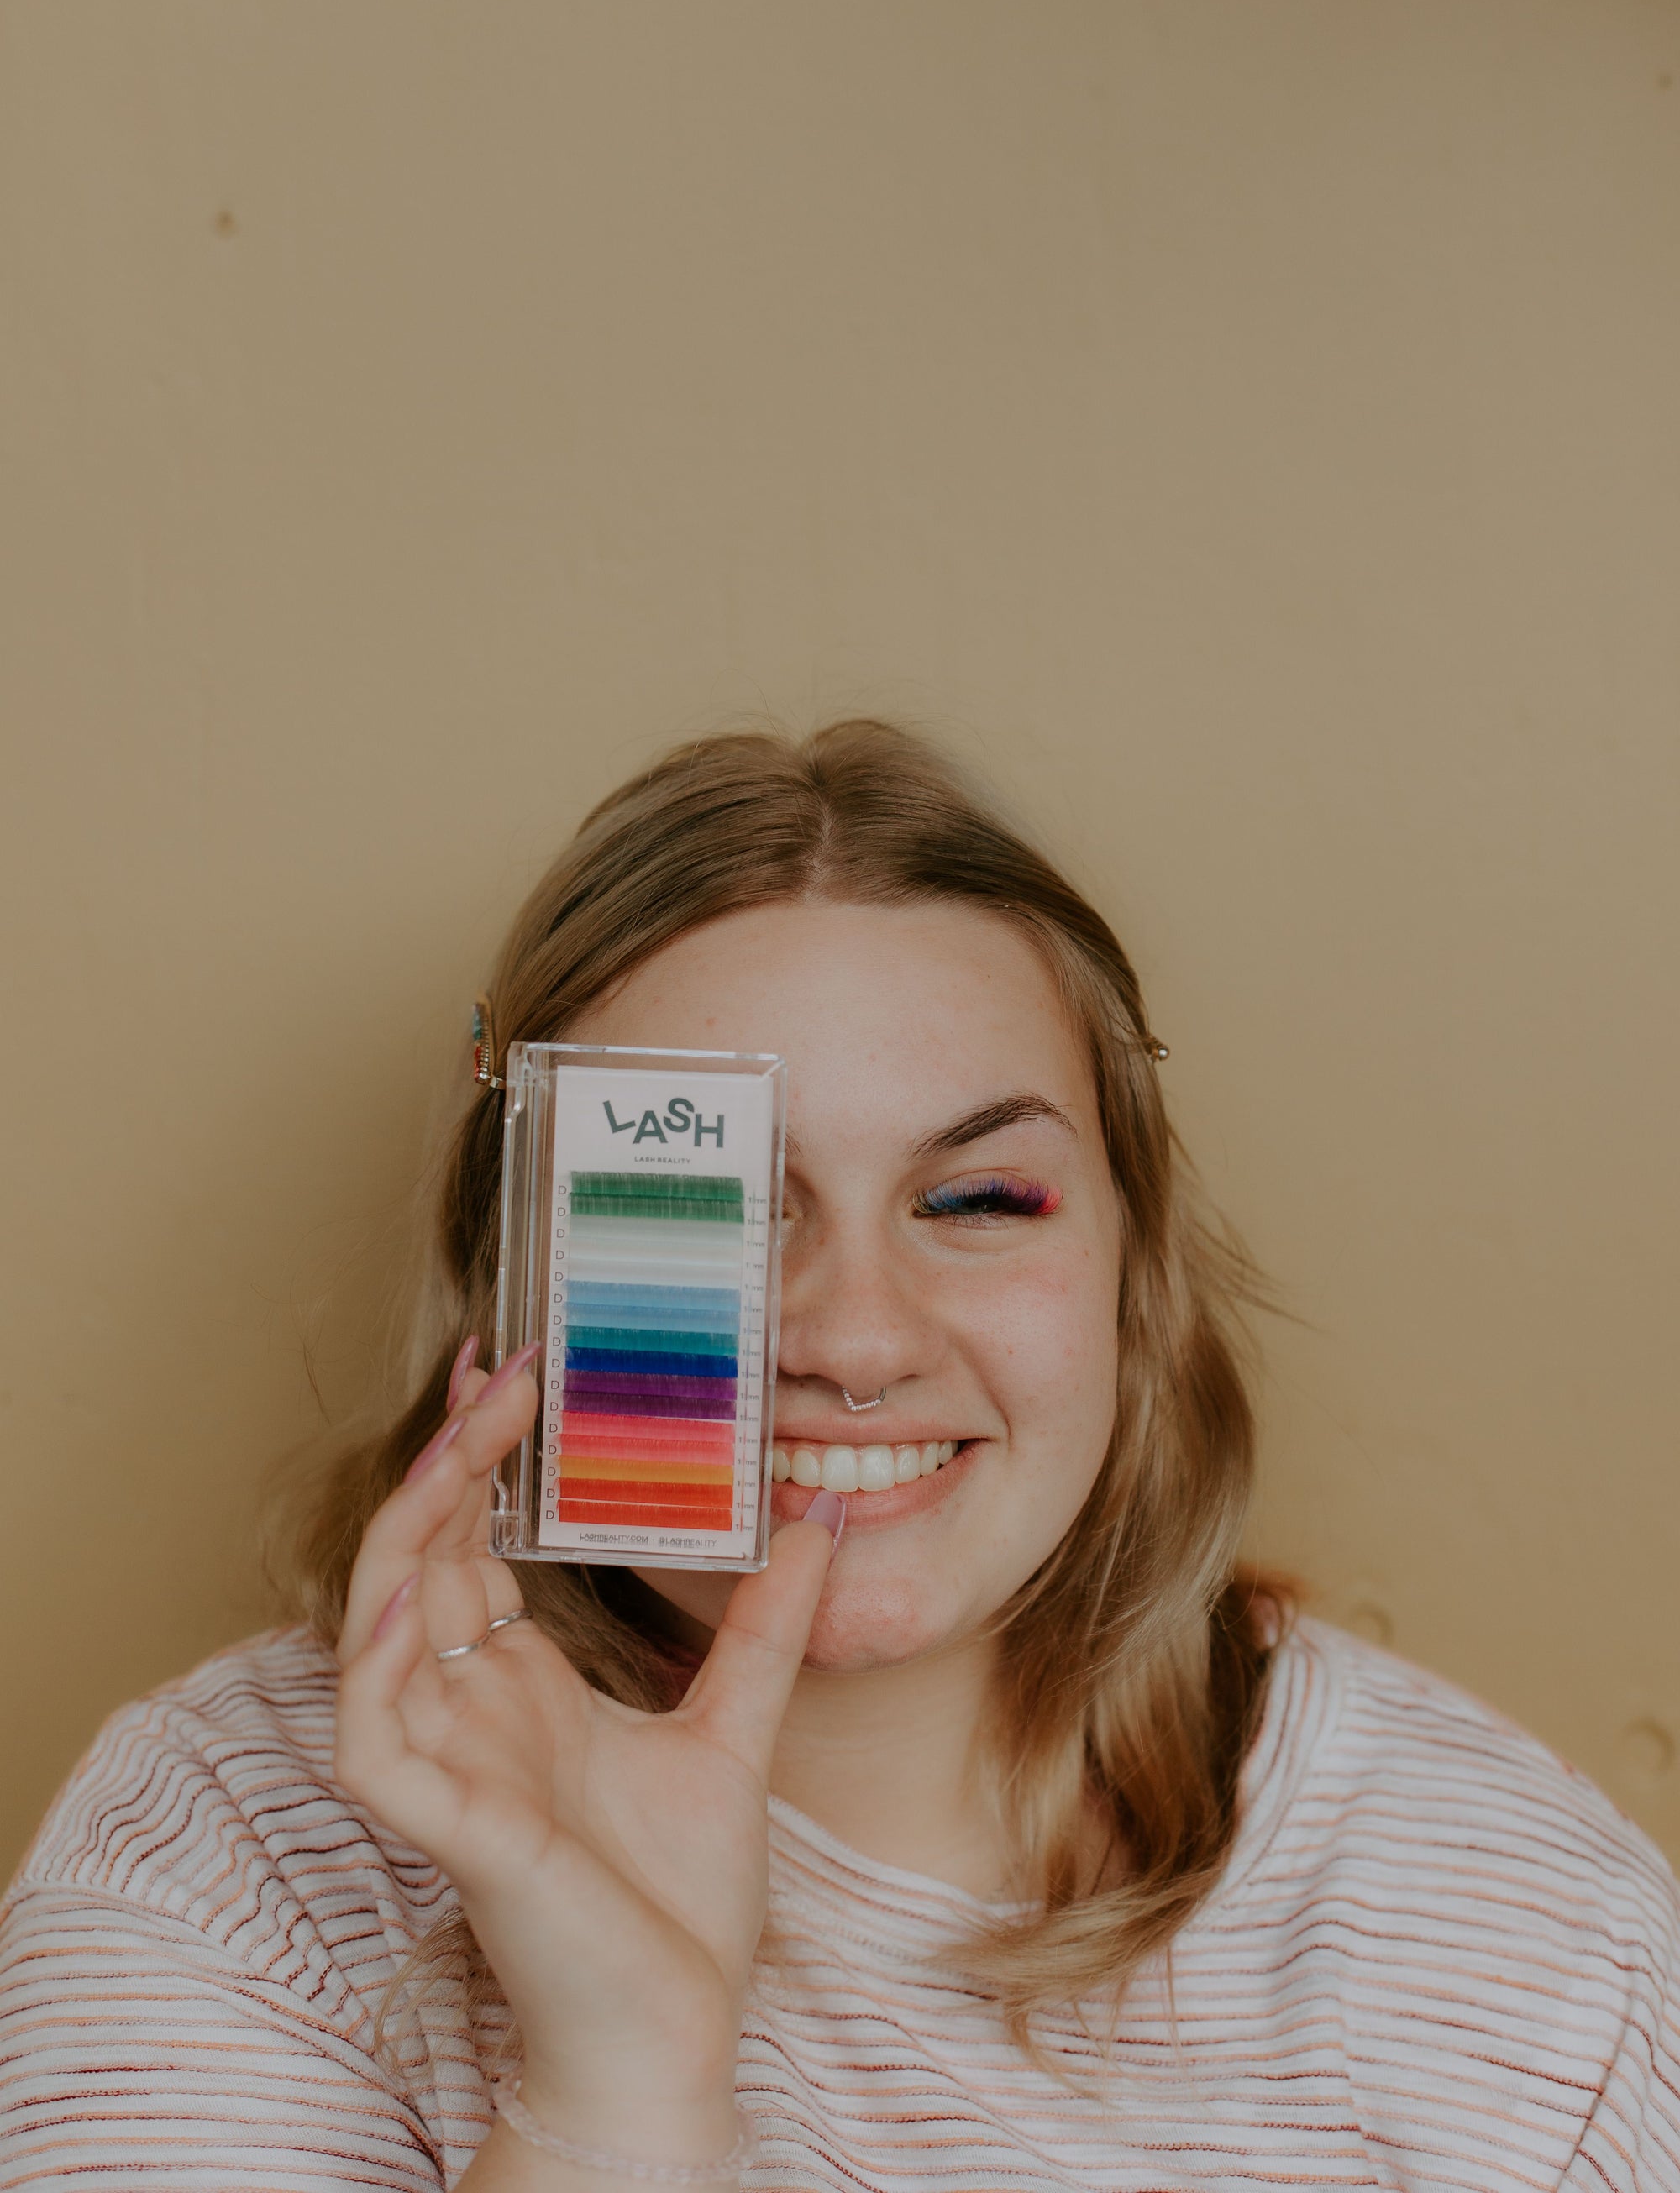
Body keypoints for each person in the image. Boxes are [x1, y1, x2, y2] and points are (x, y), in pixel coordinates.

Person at [1, 721, 1676, 2192]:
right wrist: (619, 2092)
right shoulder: (233, 1853)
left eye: (974, 1200)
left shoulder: (1524, 1939)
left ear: (1130, 1280)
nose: (853, 1341)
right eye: (700, 1202)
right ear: (515, 1274)